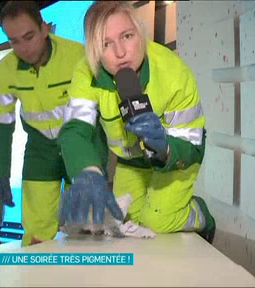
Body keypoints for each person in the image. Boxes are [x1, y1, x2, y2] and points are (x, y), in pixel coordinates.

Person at [58, 1, 216, 243]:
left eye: (127, 36)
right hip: (130, 162)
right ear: (93, 51)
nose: (120, 53)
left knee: (158, 222)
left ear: (140, 32)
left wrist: (165, 148)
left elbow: (193, 144)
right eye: (105, 44)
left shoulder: (173, 73)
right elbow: (74, 131)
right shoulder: (85, 73)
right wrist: (87, 174)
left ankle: (201, 215)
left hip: (175, 158)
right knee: (124, 222)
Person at [0, 1, 109, 247]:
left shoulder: (78, 56)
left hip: (82, 144)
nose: (23, 48)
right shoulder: (5, 70)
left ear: (44, 28)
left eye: (28, 36)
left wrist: (105, 157)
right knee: (35, 234)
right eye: (13, 41)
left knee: (86, 229)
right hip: (40, 150)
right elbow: (0, 126)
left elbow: (105, 109)